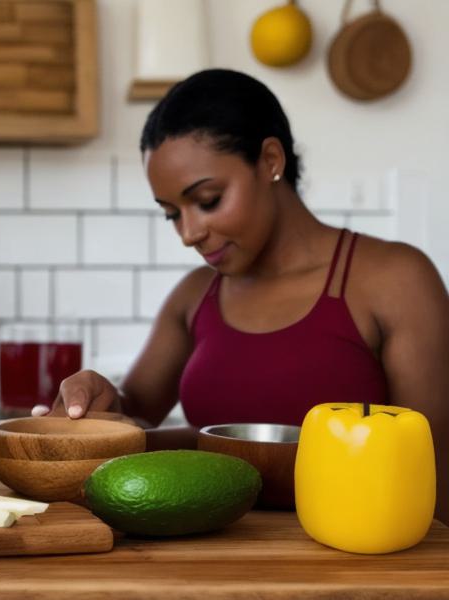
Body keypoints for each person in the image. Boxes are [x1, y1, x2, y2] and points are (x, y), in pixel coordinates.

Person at [33, 69, 449, 521]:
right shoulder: (195, 296)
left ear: (270, 160)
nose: (189, 233)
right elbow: (134, 420)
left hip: (352, 566)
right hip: (205, 562)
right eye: (171, 214)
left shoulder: (395, 279)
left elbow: (436, 469)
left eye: (208, 200)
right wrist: (96, 404)